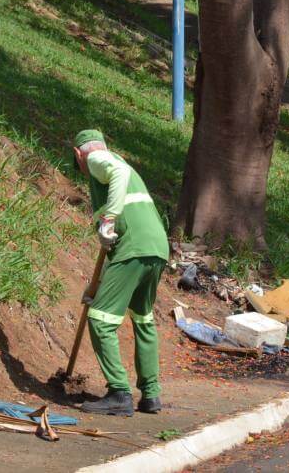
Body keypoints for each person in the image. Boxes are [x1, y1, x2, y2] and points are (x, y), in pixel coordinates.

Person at [71, 129, 169, 416]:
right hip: (155, 248)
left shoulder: (96, 159)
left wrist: (108, 218)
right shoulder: (120, 166)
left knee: (100, 319)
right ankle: (151, 395)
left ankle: (119, 393)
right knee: (143, 318)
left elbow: (117, 172)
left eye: (77, 162)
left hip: (133, 248)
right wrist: (98, 287)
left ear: (78, 154)